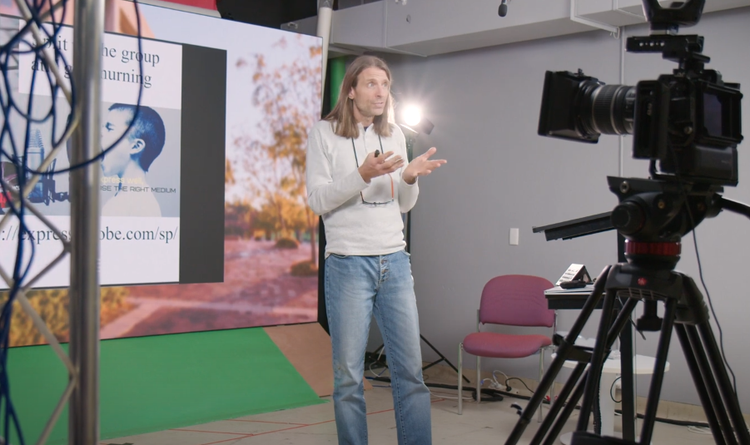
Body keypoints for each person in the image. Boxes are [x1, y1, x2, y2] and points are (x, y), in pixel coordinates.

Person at [306, 55, 446, 445]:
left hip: (395, 263)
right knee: (349, 377)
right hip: (348, 264)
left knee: (411, 374)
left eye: (385, 84)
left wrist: (410, 178)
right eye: (371, 84)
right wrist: (361, 176)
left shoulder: (395, 134)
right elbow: (318, 200)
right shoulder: (324, 133)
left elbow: (402, 204)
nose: (381, 92)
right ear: (351, 91)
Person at [100, 103, 165, 217]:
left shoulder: (142, 206)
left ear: (135, 146)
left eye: (109, 128)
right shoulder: (120, 201)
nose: (100, 133)